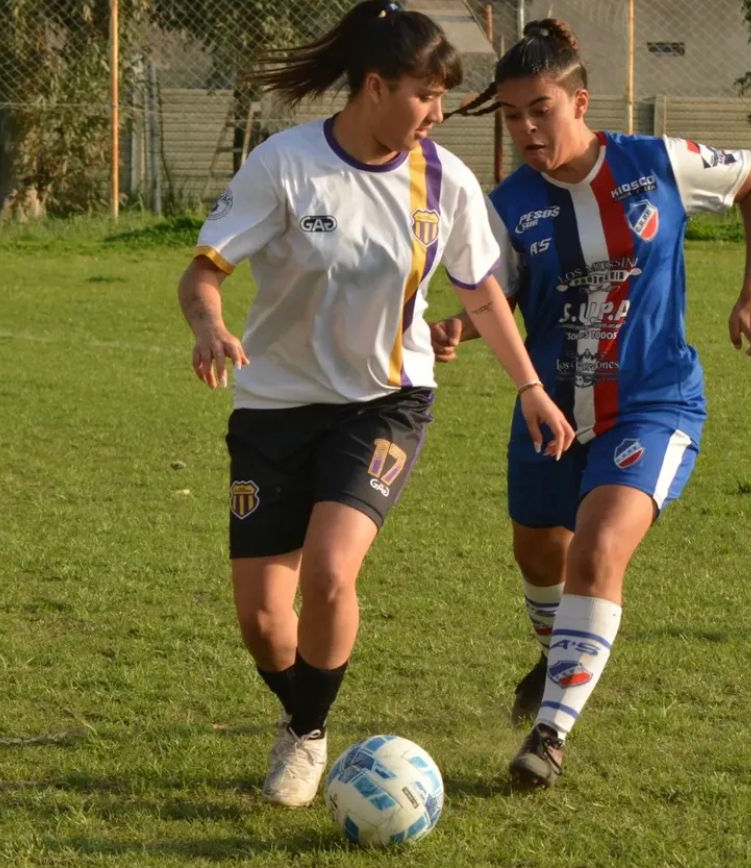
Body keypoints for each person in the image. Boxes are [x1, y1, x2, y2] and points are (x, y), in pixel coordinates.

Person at [177, 1, 575, 808]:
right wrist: (211, 328)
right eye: (424, 95)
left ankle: (308, 735)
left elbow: (484, 294)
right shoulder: (284, 166)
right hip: (273, 409)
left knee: (329, 573)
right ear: (372, 86)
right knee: (262, 622)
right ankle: (303, 714)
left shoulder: (444, 180)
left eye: (439, 97)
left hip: (385, 404)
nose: (436, 113)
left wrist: (528, 385)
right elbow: (203, 272)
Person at [431, 19, 751, 789]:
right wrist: (456, 324)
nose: (525, 128)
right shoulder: (507, 205)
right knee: (537, 552)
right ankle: (558, 658)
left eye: (541, 109)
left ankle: (548, 735)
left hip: (653, 403)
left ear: (579, 101)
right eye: (512, 115)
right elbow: (495, 293)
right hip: (552, 413)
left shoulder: (657, 162)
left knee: (598, 549)